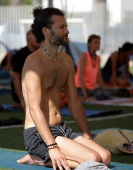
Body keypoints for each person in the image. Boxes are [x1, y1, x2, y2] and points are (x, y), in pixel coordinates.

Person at [17, 6, 111, 170]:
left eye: (66, 26)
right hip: (38, 133)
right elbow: (33, 108)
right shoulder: (34, 62)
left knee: (105, 157)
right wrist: (52, 147)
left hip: (62, 129)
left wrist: (86, 134)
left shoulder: (66, 60)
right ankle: (37, 157)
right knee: (93, 159)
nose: (67, 31)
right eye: (62, 27)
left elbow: (74, 101)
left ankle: (45, 156)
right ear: (46, 31)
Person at [11, 29, 40, 110]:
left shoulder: (42, 54)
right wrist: (22, 100)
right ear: (29, 40)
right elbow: (16, 78)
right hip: (24, 90)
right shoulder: (20, 55)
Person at [75, 34, 109, 101]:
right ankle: (82, 97)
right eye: (95, 42)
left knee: (106, 95)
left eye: (99, 43)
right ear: (89, 44)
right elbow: (80, 78)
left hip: (91, 88)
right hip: (80, 87)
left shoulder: (98, 58)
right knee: (98, 96)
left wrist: (104, 90)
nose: (98, 45)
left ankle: (89, 96)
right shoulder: (84, 56)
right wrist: (86, 96)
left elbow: (99, 77)